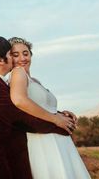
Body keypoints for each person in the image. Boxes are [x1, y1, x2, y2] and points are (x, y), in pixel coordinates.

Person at [0, 36, 72, 179]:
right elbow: (19, 118)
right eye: (11, 54)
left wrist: (59, 115)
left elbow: (21, 111)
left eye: (25, 53)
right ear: (0, 60)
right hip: (6, 157)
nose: (18, 59)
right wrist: (57, 124)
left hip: (16, 152)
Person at [8, 37, 91, 179]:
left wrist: (60, 113)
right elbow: (19, 100)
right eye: (16, 55)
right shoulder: (17, 72)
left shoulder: (35, 81)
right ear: (9, 58)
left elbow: (39, 105)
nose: (22, 58)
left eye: (26, 53)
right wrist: (56, 119)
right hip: (43, 141)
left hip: (58, 140)